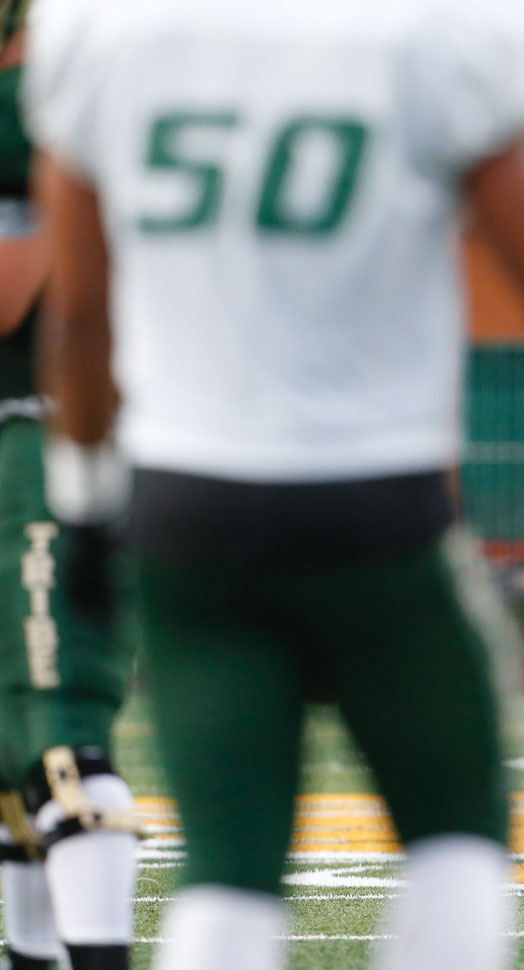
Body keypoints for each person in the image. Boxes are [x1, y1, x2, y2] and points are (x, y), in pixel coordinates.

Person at [24, 0, 524, 967]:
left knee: (227, 873)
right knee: (457, 842)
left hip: (188, 512)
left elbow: (81, 319)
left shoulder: (101, 25)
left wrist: (85, 507)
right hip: (372, 509)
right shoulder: (441, 25)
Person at [0, 8, 138, 970]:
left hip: (47, 439)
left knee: (61, 736)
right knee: (12, 747)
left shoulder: (46, 101)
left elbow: (19, 288)